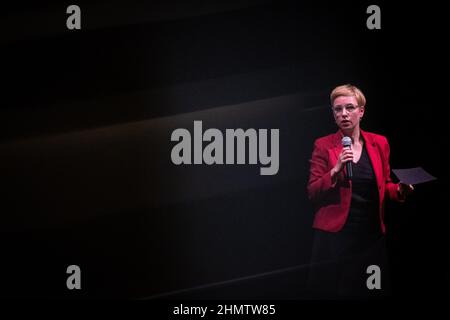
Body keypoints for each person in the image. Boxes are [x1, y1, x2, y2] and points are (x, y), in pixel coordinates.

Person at [306, 84, 413, 298]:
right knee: (335, 293)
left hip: (370, 239)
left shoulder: (379, 143)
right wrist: (335, 171)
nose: (343, 114)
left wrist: (399, 191)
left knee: (372, 292)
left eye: (349, 107)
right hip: (336, 239)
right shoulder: (324, 145)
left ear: (361, 111)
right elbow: (313, 191)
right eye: (338, 109)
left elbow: (385, 184)